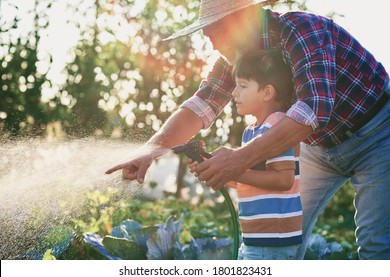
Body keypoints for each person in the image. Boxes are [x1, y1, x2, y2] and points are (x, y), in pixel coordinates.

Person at [106, 0, 390, 259]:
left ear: (246, 18)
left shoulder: (303, 31)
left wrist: (239, 159)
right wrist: (151, 151)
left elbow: (314, 109)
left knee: (377, 245)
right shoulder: (236, 58)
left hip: (378, 135)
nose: (212, 42)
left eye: (216, 29)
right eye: (207, 32)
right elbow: (202, 104)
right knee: (278, 237)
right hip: (318, 146)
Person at [190, 49, 302, 260]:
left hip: (273, 242)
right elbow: (249, 183)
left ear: (267, 92)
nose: (234, 93)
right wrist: (212, 170)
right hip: (254, 238)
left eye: (242, 86)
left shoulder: (277, 125)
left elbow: (284, 179)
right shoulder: (250, 131)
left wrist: (235, 170)